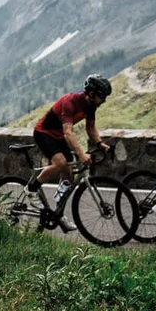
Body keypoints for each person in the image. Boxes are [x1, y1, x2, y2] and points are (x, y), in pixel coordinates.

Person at [30, 75, 114, 214]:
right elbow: (68, 132)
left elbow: (91, 128)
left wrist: (100, 144)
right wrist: (81, 154)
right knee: (61, 163)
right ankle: (32, 189)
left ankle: (58, 214)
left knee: (68, 177)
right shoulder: (70, 102)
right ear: (91, 93)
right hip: (43, 133)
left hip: (58, 136)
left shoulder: (91, 105)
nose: (104, 100)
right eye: (102, 95)